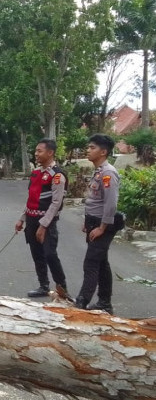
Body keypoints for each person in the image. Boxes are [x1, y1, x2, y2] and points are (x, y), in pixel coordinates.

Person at [15, 139, 70, 299]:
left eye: (39, 151)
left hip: (47, 222)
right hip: (31, 220)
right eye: (36, 151)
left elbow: (56, 203)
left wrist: (44, 225)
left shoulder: (57, 175)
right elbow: (31, 199)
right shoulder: (36, 173)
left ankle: (63, 290)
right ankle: (43, 286)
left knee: (50, 255)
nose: (36, 154)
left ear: (50, 153)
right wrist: (22, 219)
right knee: (37, 254)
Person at [74, 134, 120, 314]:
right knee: (101, 263)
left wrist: (102, 227)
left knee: (91, 262)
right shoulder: (99, 171)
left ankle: (81, 302)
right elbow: (95, 201)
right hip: (94, 222)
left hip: (103, 225)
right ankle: (105, 303)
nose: (88, 150)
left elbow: (111, 203)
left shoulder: (108, 173)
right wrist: (88, 222)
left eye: (92, 147)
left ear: (103, 151)